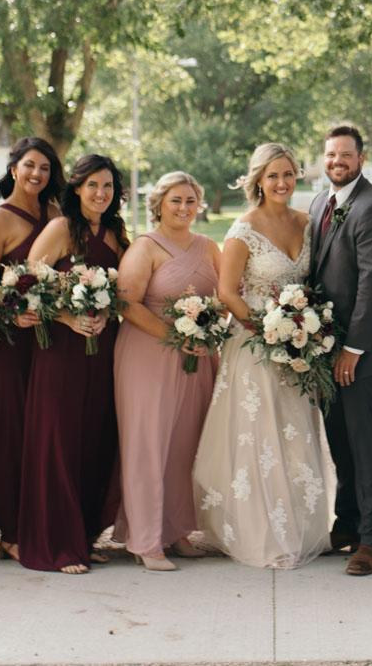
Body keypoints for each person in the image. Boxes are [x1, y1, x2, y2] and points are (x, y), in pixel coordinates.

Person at [193, 143, 332, 568]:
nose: (282, 183)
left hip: (298, 347)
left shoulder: (308, 223)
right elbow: (227, 292)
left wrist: (300, 335)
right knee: (260, 435)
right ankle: (262, 533)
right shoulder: (243, 229)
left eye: (288, 174)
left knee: (294, 432)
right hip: (255, 345)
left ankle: (301, 527)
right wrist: (268, 335)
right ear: (258, 180)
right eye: (273, 175)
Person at [17, 154, 127, 573]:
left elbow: (122, 288)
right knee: (59, 442)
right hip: (61, 350)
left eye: (108, 187)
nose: (101, 194)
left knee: (94, 439)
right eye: (93, 185)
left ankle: (81, 536)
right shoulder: (60, 229)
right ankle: (56, 544)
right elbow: (27, 287)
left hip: (102, 351)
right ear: (77, 188)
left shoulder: (115, 233)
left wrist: (106, 312)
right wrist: (68, 317)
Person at [113, 170, 222, 570]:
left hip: (198, 356)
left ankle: (176, 531)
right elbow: (128, 303)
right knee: (148, 444)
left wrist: (209, 325)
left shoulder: (209, 246)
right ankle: (145, 540)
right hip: (148, 353)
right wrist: (177, 336)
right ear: (158, 203)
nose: (183, 207)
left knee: (184, 444)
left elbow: (224, 297)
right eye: (175, 200)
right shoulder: (146, 246)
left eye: (191, 200)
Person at [308, 125, 372, 577]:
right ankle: (347, 525)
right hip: (325, 351)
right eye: (330, 154)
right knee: (340, 443)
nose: (337, 161)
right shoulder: (321, 203)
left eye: (346, 155)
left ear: (360, 159)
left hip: (360, 356)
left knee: (366, 446)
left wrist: (353, 349)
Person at [0, 137, 65, 562]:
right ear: (13, 169)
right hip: (8, 343)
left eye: (45, 168)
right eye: (30, 165)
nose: (37, 174)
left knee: (41, 434)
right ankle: (10, 529)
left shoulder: (56, 214)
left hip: (50, 341)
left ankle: (40, 519)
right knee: (9, 432)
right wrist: (12, 316)